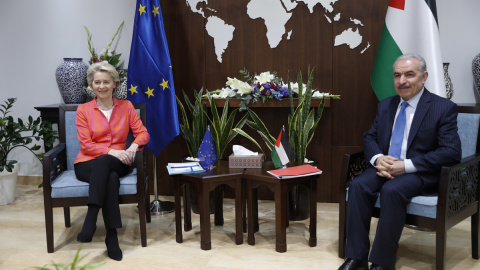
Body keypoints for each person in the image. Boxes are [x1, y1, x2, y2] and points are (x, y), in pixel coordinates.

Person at [338, 54, 461, 270]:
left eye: (409, 74)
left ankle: (382, 263)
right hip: (385, 167)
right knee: (358, 185)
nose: (402, 80)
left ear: (424, 77)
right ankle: (356, 258)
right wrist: (378, 158)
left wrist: (406, 165)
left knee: (393, 190)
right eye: (397, 75)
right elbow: (370, 137)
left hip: (420, 171)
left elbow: (451, 152)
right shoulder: (386, 105)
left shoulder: (442, 107)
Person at [74, 61, 150, 261]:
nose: (102, 86)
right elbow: (86, 144)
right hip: (86, 163)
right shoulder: (83, 110)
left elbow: (143, 133)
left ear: (114, 83)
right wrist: (112, 152)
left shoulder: (126, 106)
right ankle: (112, 237)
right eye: (97, 82)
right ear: (91, 85)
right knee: (110, 175)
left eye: (106, 82)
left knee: (106, 163)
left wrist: (133, 146)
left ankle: (91, 219)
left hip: (118, 160)